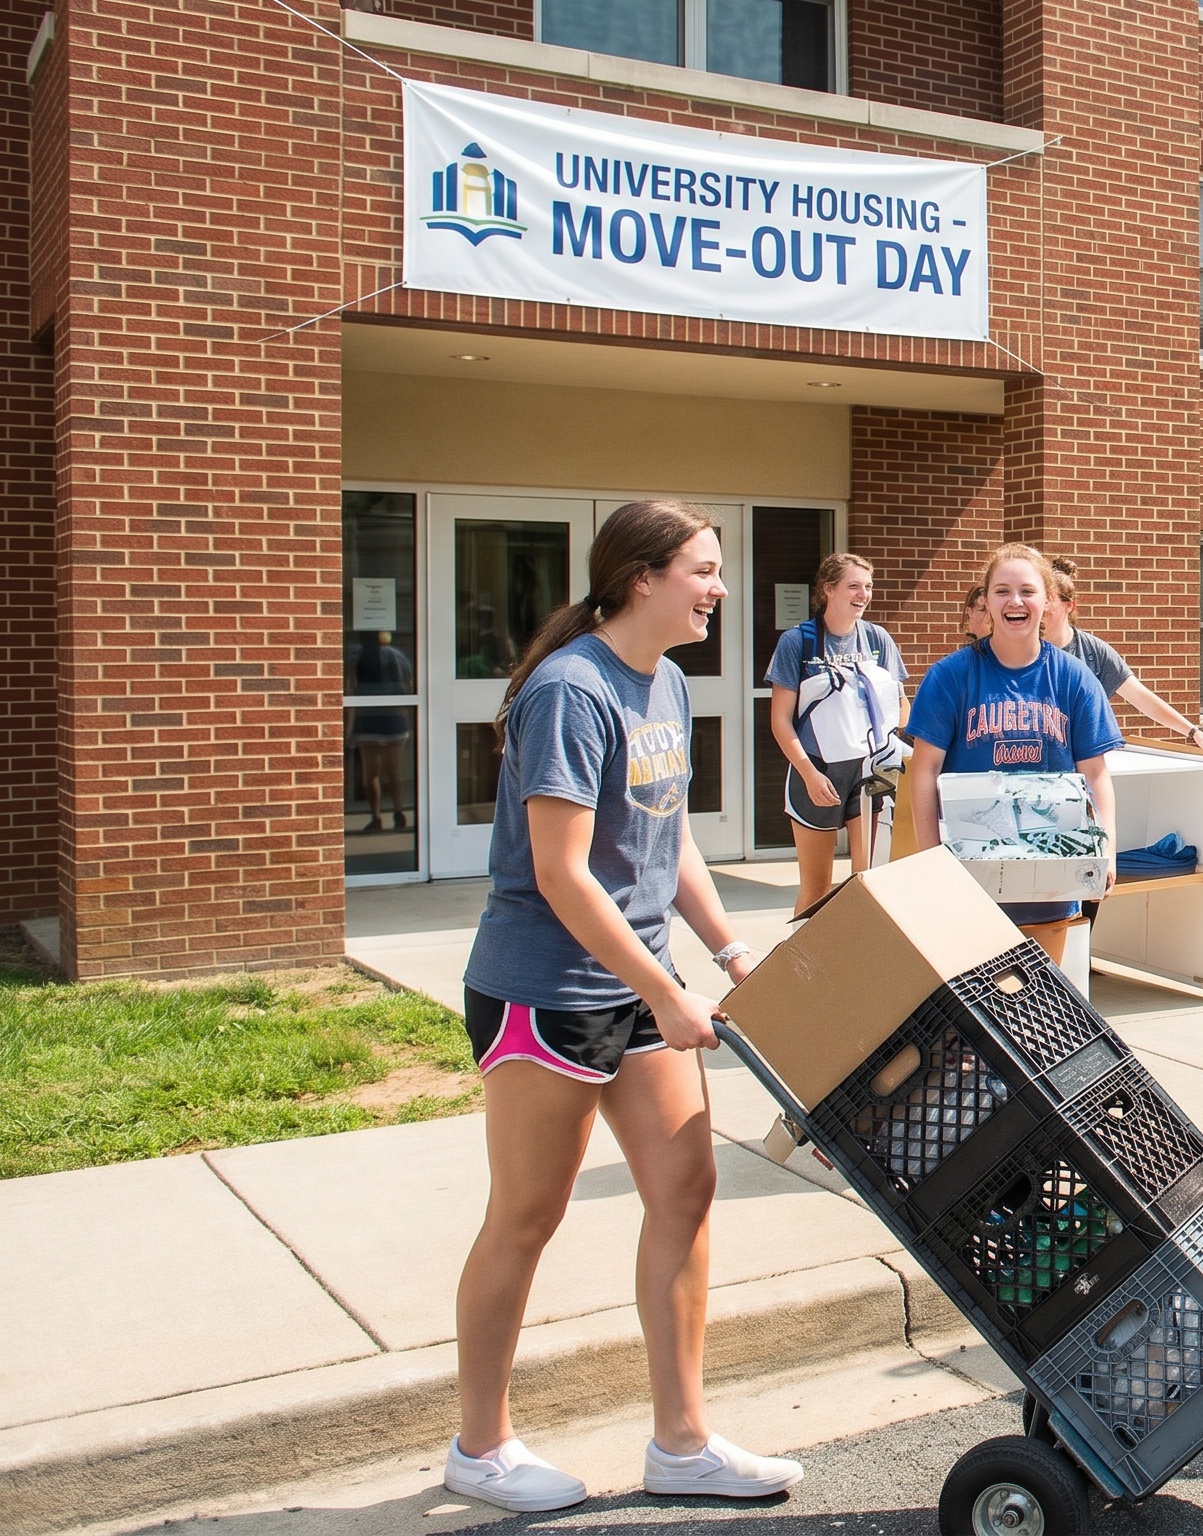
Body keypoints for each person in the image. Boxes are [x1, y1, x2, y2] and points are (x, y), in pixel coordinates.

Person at [444, 500, 802, 1513]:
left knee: (684, 1195)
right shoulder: (572, 691)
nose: (719, 588)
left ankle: (681, 1445)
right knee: (526, 1216)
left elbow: (664, 835)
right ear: (642, 577)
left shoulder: (668, 685)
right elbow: (561, 874)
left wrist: (727, 952)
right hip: (544, 991)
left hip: (639, 983)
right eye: (703, 569)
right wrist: (665, 990)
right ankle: (481, 1447)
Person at [902, 543, 1121, 962]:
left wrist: (1105, 848)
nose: (1015, 601)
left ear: (1049, 601)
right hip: (969, 869)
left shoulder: (1074, 678)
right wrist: (930, 859)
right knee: (973, 1001)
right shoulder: (950, 676)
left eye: (1027, 591)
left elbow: (1095, 774)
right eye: (1002, 591)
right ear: (984, 601)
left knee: (1038, 996)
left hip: (1051, 869)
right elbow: (925, 770)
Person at [766, 553, 909, 916]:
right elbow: (781, 720)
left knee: (872, 881)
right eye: (854, 586)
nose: (863, 594)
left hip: (870, 773)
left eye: (868, 587)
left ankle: (859, 965)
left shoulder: (878, 638)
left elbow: (902, 706)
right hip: (818, 773)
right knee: (817, 888)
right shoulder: (799, 642)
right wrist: (808, 773)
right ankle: (805, 968)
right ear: (828, 589)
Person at [1043, 556, 1203, 752]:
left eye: (1049, 599)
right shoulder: (1021, 649)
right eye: (1038, 597)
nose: (1041, 606)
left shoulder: (1093, 651)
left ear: (1070, 605)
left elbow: (1141, 697)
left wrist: (1193, 732)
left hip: (1081, 761)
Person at [348, 631, 414, 832]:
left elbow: (350, 687)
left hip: (367, 721)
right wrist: (409, 719)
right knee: (394, 771)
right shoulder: (399, 656)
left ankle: (376, 816)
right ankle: (399, 811)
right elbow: (408, 686)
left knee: (371, 773)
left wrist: (348, 728)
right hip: (395, 721)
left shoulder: (356, 655)